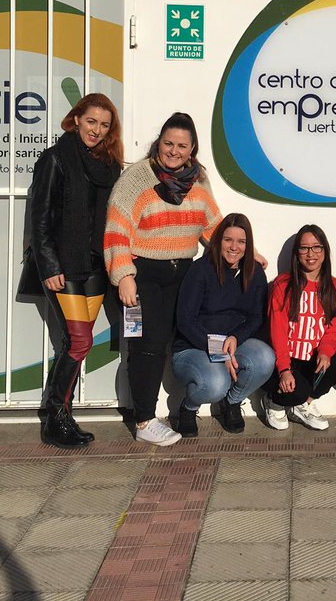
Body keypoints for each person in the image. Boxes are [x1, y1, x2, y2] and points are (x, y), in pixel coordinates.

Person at [105, 112, 222, 447]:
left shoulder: (198, 179)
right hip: (143, 274)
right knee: (148, 346)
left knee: (177, 342)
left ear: (192, 148)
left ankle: (192, 405)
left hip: (182, 273)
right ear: (159, 143)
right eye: (168, 143)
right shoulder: (137, 178)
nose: (174, 151)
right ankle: (144, 420)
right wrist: (124, 276)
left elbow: (211, 224)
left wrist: (240, 250)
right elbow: (116, 229)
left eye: (181, 146)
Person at [25, 93, 123, 449]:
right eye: (91, 121)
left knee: (75, 343)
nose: (96, 130)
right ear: (76, 119)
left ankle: (61, 415)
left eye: (104, 125)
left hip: (95, 266)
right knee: (80, 341)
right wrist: (49, 265)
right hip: (63, 268)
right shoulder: (55, 159)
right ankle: (55, 417)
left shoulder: (109, 166)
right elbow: (40, 218)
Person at [172, 213, 273, 434]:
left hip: (233, 343)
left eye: (241, 241)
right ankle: (189, 407)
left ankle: (232, 402)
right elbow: (186, 321)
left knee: (265, 358)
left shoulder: (255, 272)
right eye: (228, 240)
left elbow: (257, 317)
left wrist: (236, 338)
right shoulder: (201, 269)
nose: (234, 247)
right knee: (216, 384)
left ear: (248, 245)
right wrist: (220, 352)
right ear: (219, 241)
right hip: (194, 346)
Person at [263, 225, 336, 431]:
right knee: (295, 391)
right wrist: (284, 369)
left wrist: (325, 352)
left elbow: (334, 329)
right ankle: (274, 401)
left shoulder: (335, 287)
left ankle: (302, 404)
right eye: (304, 248)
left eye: (317, 247)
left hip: (313, 359)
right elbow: (277, 331)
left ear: (325, 251)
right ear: (296, 253)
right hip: (286, 359)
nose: (311, 254)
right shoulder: (283, 285)